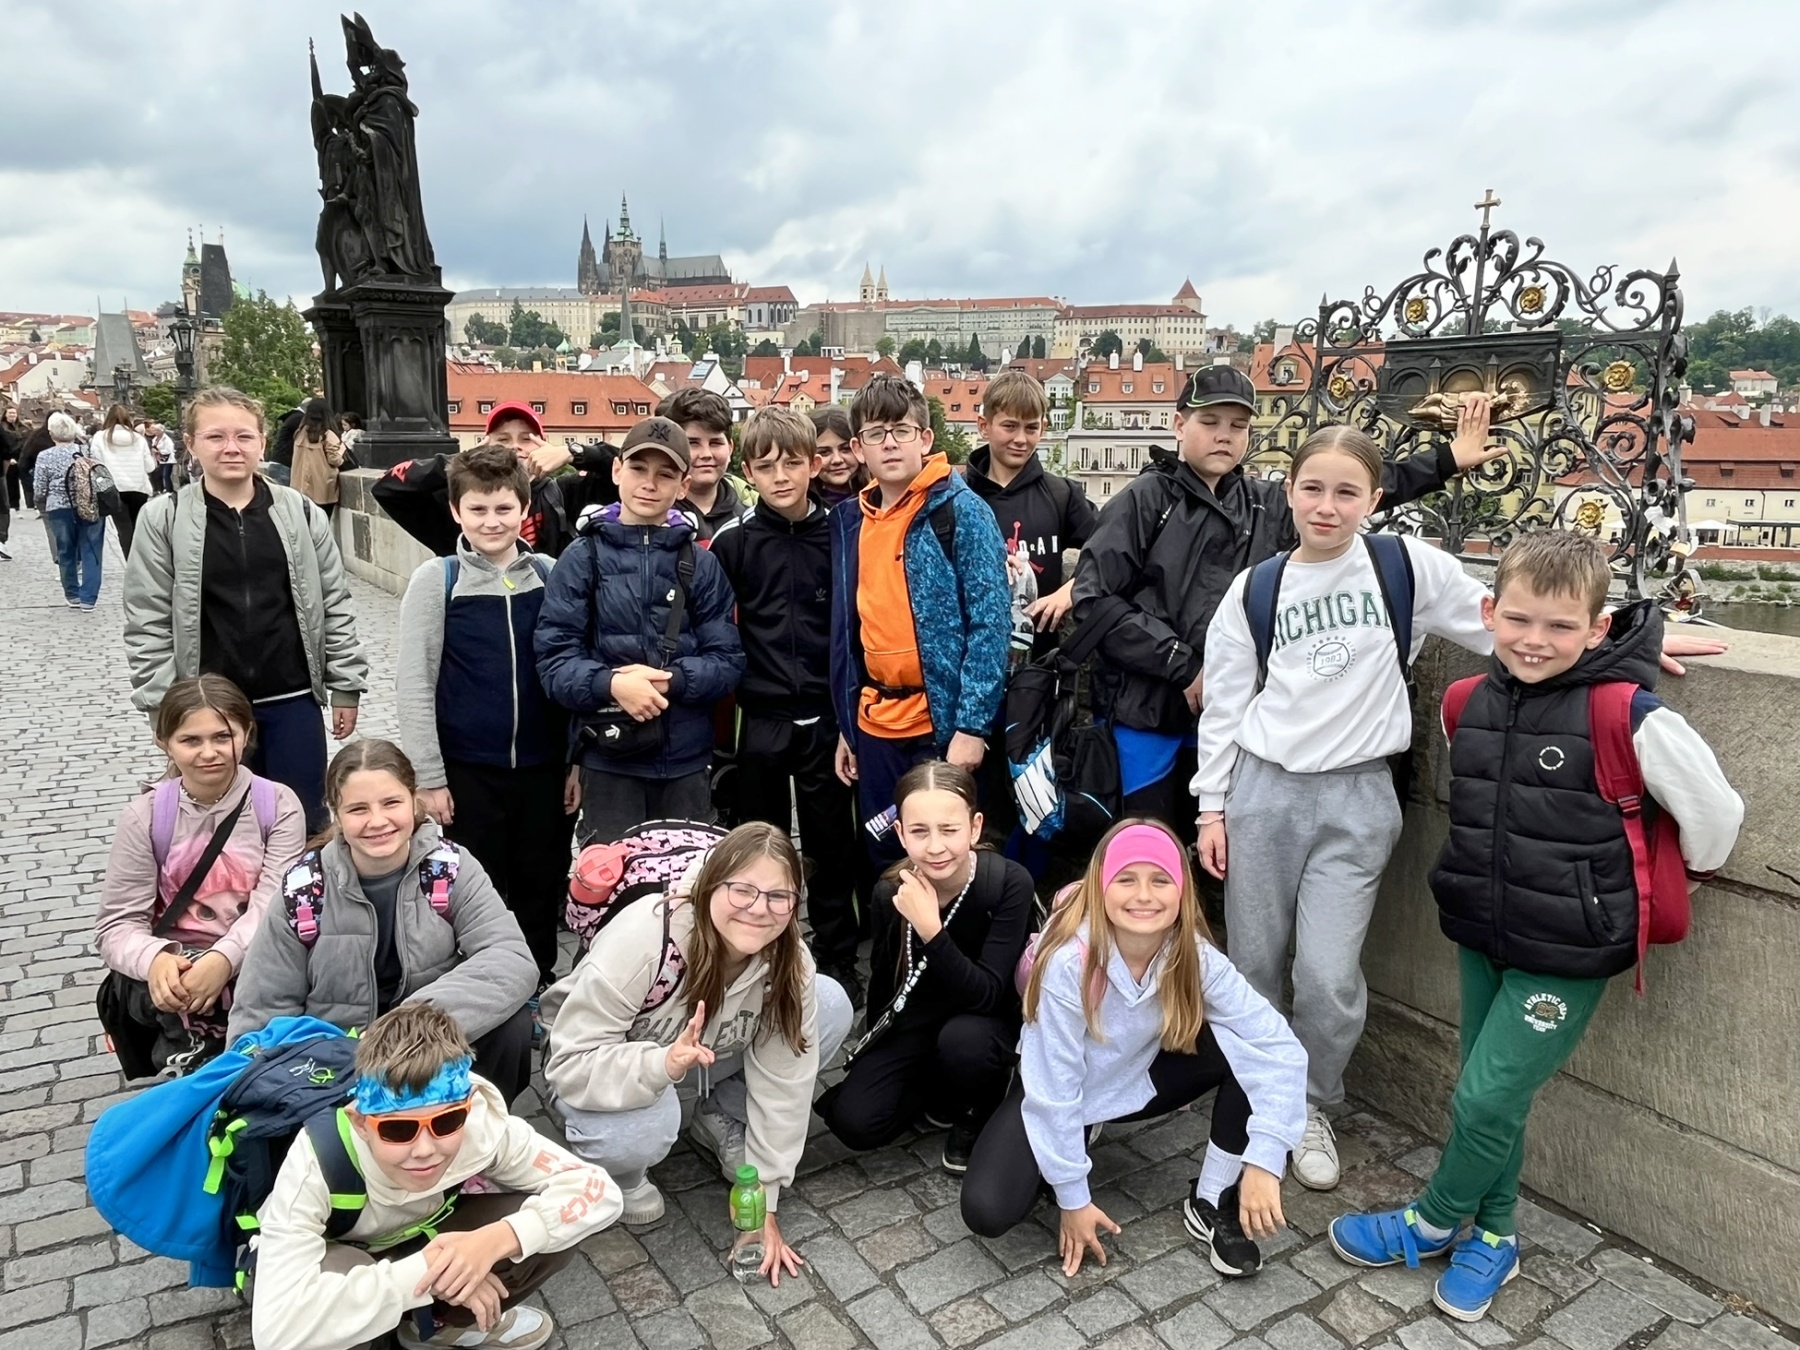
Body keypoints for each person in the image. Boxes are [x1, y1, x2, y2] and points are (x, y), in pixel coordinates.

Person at [1327, 530, 1742, 1322]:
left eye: (1559, 626)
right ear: (1489, 613)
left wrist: (1672, 879)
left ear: (1597, 628)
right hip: (1483, 929)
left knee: (1485, 1098)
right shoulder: (1465, 702)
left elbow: (1716, 814)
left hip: (1569, 948)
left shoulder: (1629, 714)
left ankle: (1431, 1221)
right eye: (1518, 620)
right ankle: (1496, 1236)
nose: (1534, 640)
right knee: (1491, 1098)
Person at [1192, 419, 1497, 1191]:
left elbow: (1510, 626)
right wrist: (1211, 810)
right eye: (1313, 489)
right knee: (1254, 964)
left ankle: (1311, 1103)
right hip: (1264, 790)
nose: (1327, 507)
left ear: (1374, 497)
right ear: (1290, 492)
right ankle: (1259, 1096)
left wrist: (1615, 648)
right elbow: (1224, 709)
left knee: (1328, 978)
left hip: (1358, 794)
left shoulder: (1405, 568)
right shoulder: (1256, 589)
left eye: (1346, 492)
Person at [1069, 366, 1503, 835]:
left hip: (1231, 710)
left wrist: (1446, 460)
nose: (1224, 436)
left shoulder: (1262, 503)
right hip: (1145, 708)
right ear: (1179, 425)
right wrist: (1185, 665)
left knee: (1215, 846)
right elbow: (1095, 600)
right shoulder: (1145, 500)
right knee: (1149, 839)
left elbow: (1348, 484)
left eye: (1237, 426)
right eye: (1210, 422)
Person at [959, 819, 1306, 1279]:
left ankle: (1212, 1197)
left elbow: (1277, 1044)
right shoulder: (1068, 963)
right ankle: (1068, 1141)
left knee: (1242, 1043)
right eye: (1126, 879)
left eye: (1160, 880)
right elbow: (1054, 1086)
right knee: (987, 1209)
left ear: (1181, 892)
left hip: (1138, 1076)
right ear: (1101, 888)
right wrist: (1073, 1198)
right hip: (1061, 1089)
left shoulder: (1195, 955)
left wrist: (1265, 1155)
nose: (1144, 895)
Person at [540, 822, 854, 1278]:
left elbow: (787, 1078)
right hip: (607, 1064)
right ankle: (623, 1176)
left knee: (829, 1003)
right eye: (741, 890)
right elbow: (570, 1064)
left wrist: (762, 1203)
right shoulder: (647, 937)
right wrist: (661, 1064)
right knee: (643, 1128)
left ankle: (720, 1114)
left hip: (706, 1056)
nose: (758, 909)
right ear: (710, 886)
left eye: (778, 896)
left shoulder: (788, 958)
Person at [248, 1002, 623, 1350]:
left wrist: (493, 1242)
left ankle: (442, 1324)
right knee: (326, 1307)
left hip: (421, 1233)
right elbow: (276, 1332)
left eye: (447, 1122)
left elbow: (599, 1191)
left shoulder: (481, 1123)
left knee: (550, 1232)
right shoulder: (315, 1161)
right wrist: (428, 1273)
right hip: (344, 1253)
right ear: (360, 1123)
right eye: (397, 1129)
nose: (425, 1149)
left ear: (467, 1107)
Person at [228, 739, 540, 1103]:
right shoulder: (303, 890)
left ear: (414, 800)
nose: (377, 821)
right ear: (335, 812)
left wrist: (404, 1030)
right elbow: (261, 1008)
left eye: (391, 803)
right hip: (337, 1067)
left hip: (429, 1047)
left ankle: (475, 1123)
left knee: (513, 1024)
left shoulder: (450, 868)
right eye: (358, 809)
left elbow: (510, 958)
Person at [123, 386, 368, 833]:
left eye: (243, 436)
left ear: (261, 441)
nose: (231, 448)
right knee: (221, 831)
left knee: (303, 824)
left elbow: (334, 603)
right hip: (208, 708)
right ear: (191, 443)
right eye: (215, 437)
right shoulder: (164, 518)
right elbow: (147, 621)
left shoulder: (301, 513)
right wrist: (164, 710)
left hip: (292, 699)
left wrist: (346, 685)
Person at [396, 443, 577, 1004]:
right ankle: (485, 990)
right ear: (456, 512)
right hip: (469, 770)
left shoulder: (549, 574)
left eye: (504, 509)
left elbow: (569, 673)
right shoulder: (438, 579)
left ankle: (537, 981)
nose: (491, 522)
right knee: (479, 886)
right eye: (477, 510)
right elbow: (415, 682)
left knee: (541, 881)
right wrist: (429, 777)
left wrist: (575, 761)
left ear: (524, 509)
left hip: (545, 766)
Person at [709, 409, 863, 1004]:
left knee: (832, 844)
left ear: (814, 465)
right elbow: (714, 625)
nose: (780, 476)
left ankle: (838, 956)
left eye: (792, 463)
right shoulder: (735, 541)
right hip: (761, 716)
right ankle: (762, 954)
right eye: (766, 466)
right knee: (760, 845)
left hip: (826, 716)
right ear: (748, 472)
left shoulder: (842, 533)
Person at [535, 416, 744, 845]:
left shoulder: (701, 563)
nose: (649, 484)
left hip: (685, 760)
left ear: (683, 486)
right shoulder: (583, 557)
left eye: (665, 474)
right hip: (609, 757)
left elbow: (727, 661)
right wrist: (612, 684)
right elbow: (555, 660)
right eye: (638, 469)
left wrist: (669, 681)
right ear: (617, 471)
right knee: (613, 878)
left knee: (684, 879)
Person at [816, 761, 1033, 1172]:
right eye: (919, 832)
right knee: (854, 1122)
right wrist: (874, 1052)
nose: (935, 847)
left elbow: (988, 994)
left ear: (974, 827)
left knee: (964, 1042)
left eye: (949, 830)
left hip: (983, 1023)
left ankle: (976, 1107)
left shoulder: (1008, 884)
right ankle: (937, 1087)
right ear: (900, 834)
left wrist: (931, 929)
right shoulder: (890, 892)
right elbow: (886, 980)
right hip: (919, 1021)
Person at [829, 374, 1010, 866]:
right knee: (884, 856)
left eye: (901, 430)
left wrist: (973, 726)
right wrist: (848, 723)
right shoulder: (851, 521)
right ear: (859, 448)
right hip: (875, 723)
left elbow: (991, 624)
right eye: (875, 433)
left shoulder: (961, 512)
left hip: (940, 723)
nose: (889, 443)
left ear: (925, 439)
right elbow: (849, 632)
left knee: (942, 854)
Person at [95, 675, 306, 1077]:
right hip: (178, 970)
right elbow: (117, 924)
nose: (209, 753)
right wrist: (155, 960)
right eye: (191, 740)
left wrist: (224, 959)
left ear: (246, 735)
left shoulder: (278, 805)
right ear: (164, 742)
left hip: (256, 958)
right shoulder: (145, 817)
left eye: (223, 737)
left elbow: (274, 904)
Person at [373, 402, 615, 558]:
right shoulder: (463, 500)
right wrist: (463, 461)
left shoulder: (565, 494)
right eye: (503, 440)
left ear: (543, 445)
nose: (515, 447)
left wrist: (574, 452)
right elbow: (389, 488)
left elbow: (623, 470)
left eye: (526, 439)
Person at [658, 388, 753, 540]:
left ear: (730, 448)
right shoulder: (654, 519)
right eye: (693, 443)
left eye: (715, 443)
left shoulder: (750, 523)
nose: (706, 454)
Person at [34, 411, 106, 609]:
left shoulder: (45, 456)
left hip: (59, 508)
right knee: (91, 550)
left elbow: (39, 489)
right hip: (90, 506)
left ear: (51, 434)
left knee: (66, 551)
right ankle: (89, 598)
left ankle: (72, 594)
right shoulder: (87, 451)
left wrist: (41, 504)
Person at [93, 403, 158, 557]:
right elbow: (149, 467)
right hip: (138, 488)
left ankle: (130, 561)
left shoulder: (100, 438)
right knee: (138, 528)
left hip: (115, 488)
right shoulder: (138, 439)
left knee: (123, 529)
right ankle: (142, 559)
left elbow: (97, 465)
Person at [289, 397, 346, 517]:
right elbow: (334, 460)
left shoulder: (300, 433)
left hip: (300, 489)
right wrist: (341, 451)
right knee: (322, 523)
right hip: (322, 491)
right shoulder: (327, 435)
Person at [809, 404, 867, 509]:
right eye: (824, 452)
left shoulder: (880, 497)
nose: (837, 460)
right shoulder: (804, 508)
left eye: (846, 449)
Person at [1, 401, 22, 515]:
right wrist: (10, 457)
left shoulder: (23, 426)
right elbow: (6, 444)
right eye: (10, 413)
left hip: (22, 457)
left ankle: (32, 504)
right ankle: (13, 505)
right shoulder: (3, 427)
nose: (12, 415)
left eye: (14, 413)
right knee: (11, 482)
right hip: (9, 459)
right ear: (5, 414)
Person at [147, 420, 177, 494]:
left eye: (157, 430)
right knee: (158, 475)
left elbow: (170, 449)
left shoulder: (166, 439)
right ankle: (161, 489)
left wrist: (159, 451)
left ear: (162, 431)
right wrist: (154, 450)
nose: (155, 432)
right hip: (160, 459)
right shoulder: (155, 439)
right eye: (155, 430)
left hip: (168, 459)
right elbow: (153, 446)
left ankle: (169, 490)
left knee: (166, 475)